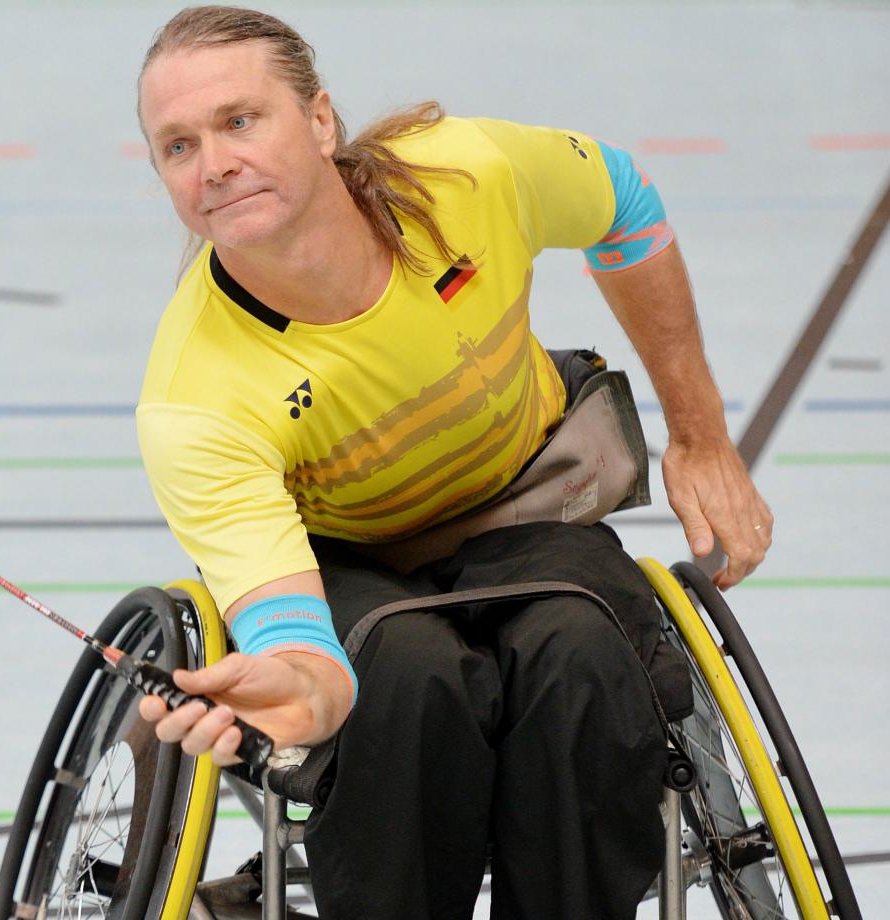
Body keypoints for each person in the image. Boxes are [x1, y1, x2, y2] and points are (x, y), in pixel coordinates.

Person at [132, 6, 773, 918]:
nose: (215, 162)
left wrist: (702, 435)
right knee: (406, 677)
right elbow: (298, 634)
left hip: (524, 505)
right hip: (343, 561)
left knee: (583, 650)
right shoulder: (193, 398)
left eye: (240, 120)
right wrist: (306, 690)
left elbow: (621, 201)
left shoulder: (466, 177)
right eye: (178, 146)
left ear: (320, 121)